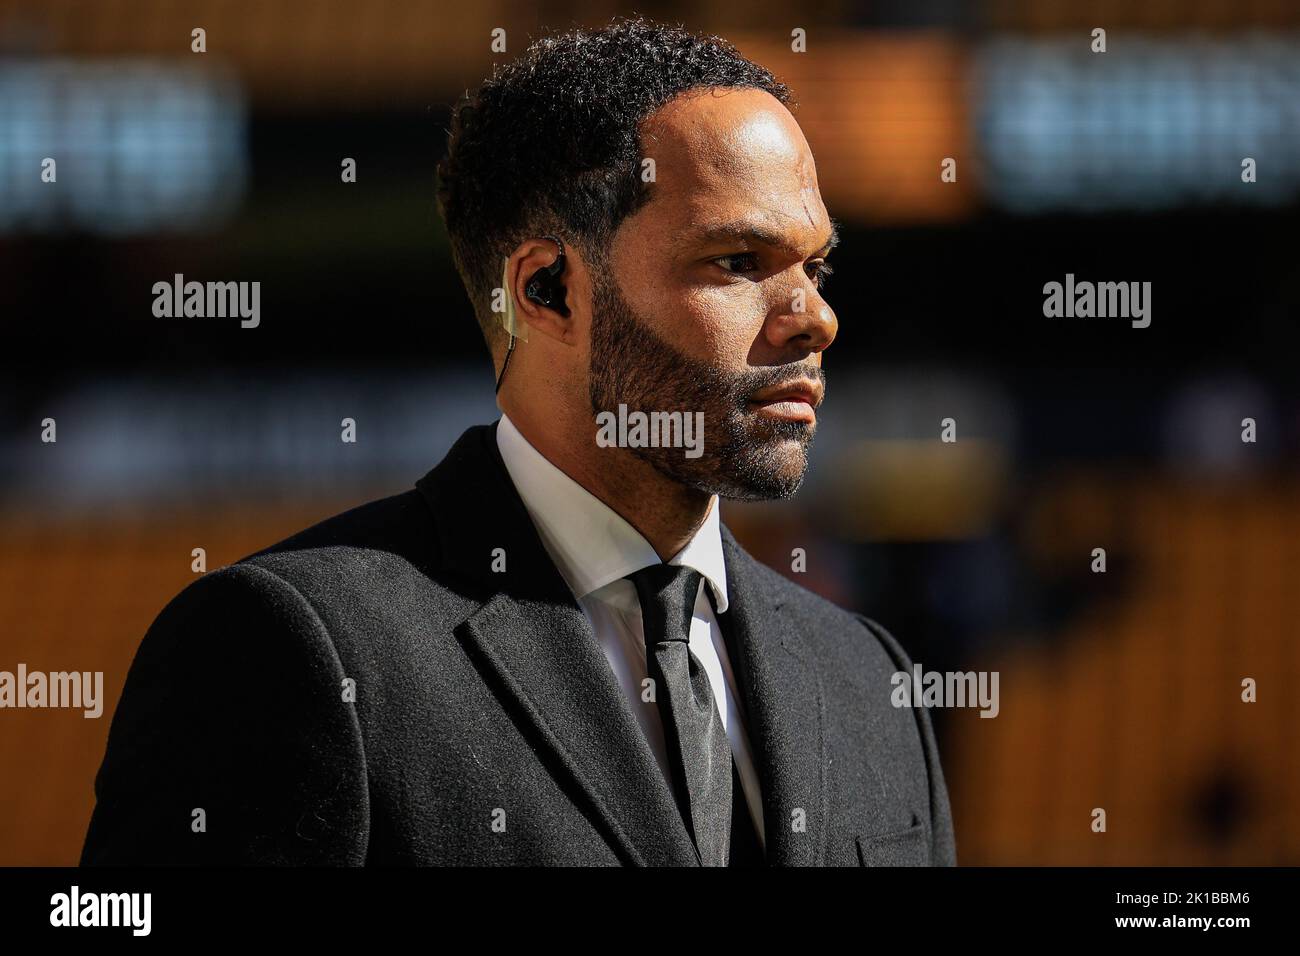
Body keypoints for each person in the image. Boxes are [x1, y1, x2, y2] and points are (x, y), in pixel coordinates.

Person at [81, 15, 955, 866]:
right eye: (737, 263)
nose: (818, 319)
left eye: (816, 266)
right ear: (546, 290)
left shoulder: (868, 679)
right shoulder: (287, 649)